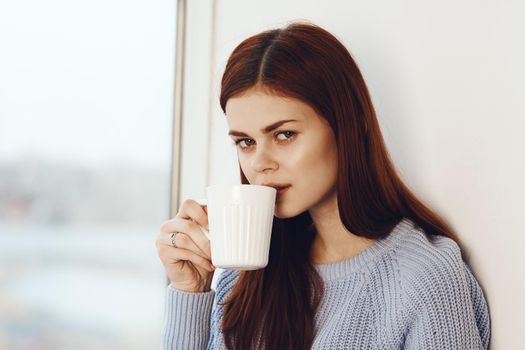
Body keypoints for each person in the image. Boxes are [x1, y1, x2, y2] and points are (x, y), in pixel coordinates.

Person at [156, 21, 491, 350]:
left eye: (284, 134)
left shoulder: (424, 277)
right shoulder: (246, 278)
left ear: (348, 124)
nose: (260, 162)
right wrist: (190, 290)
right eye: (245, 142)